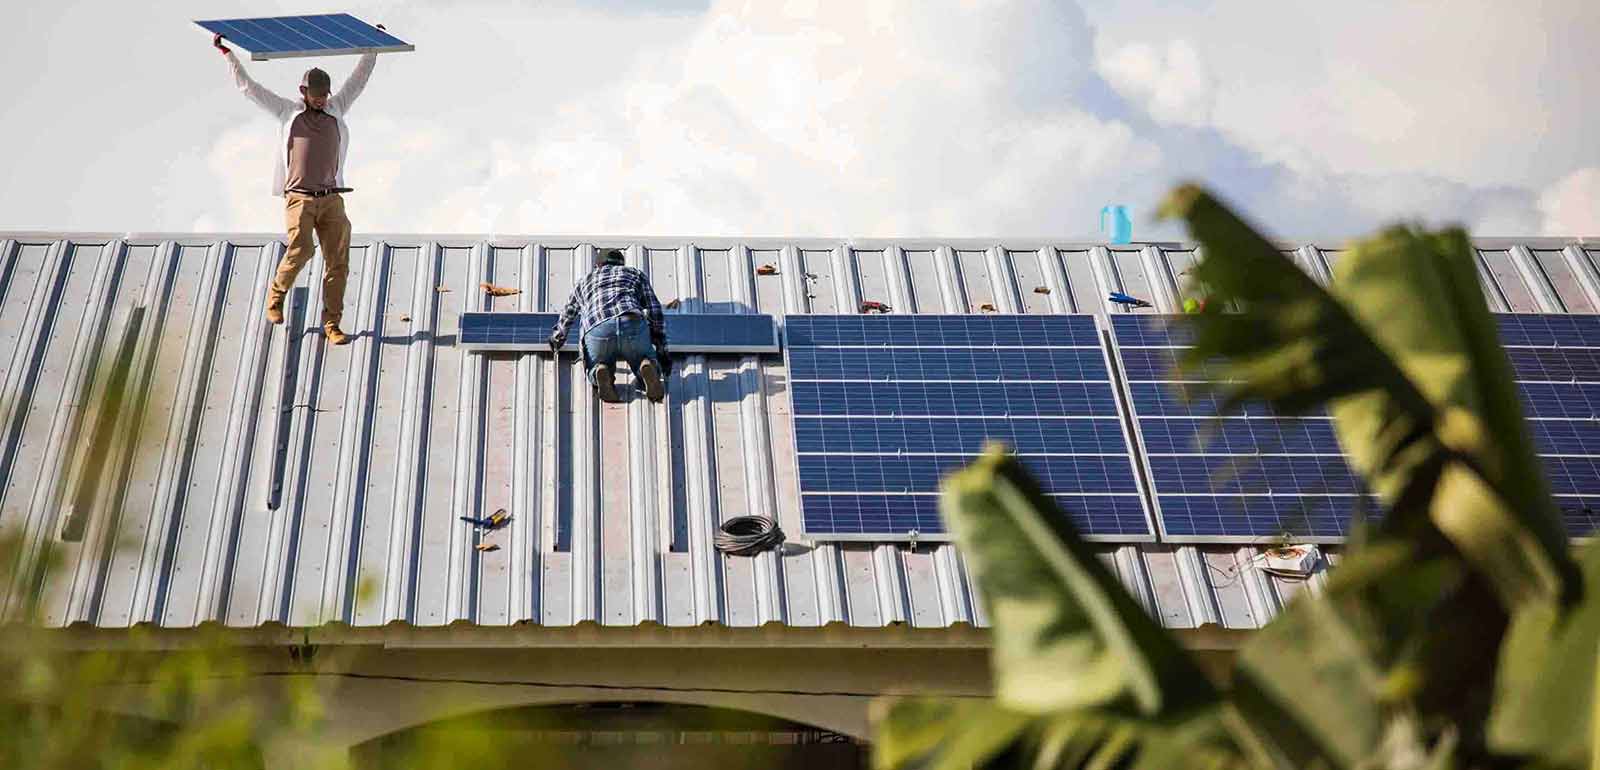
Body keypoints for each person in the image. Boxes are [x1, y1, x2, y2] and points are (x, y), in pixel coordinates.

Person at [212, 32, 381, 345]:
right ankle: (276, 295)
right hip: (300, 199)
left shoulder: (337, 109)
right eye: (316, 95)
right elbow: (249, 88)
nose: (321, 99)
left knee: (338, 263)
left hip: (331, 200)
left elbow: (358, 80)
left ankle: (332, 324)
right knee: (302, 249)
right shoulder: (287, 112)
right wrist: (229, 55)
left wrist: (373, 48)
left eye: (324, 95)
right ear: (303, 91)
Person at [548, 248, 670, 403]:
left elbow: (568, 313)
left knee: (596, 366)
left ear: (598, 265)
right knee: (644, 358)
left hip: (598, 328)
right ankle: (646, 365)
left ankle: (601, 370)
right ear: (621, 264)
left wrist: (557, 338)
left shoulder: (584, 281)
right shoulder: (634, 274)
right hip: (631, 321)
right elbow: (654, 309)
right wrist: (661, 346)